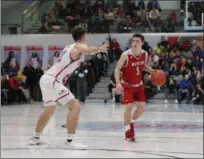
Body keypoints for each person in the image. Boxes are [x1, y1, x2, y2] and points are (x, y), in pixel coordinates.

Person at [29, 26, 108, 149]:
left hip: (46, 79)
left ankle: (35, 137)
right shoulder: (78, 46)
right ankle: (70, 141)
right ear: (84, 36)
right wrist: (100, 49)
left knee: (50, 108)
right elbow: (86, 50)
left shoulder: (68, 47)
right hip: (53, 80)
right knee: (74, 106)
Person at [114, 34, 154, 141]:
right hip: (127, 84)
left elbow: (142, 65)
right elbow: (117, 69)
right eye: (133, 41)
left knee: (141, 109)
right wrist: (118, 83)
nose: (135, 43)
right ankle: (128, 131)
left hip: (139, 84)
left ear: (142, 43)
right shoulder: (125, 55)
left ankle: (131, 122)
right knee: (128, 107)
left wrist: (153, 72)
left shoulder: (145, 54)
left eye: (137, 41)